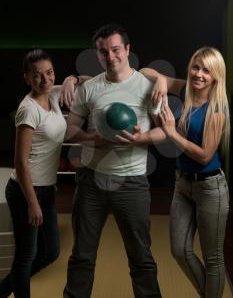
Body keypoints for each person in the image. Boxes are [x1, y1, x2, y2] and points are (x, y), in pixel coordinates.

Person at [63, 23, 169, 298]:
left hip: (131, 183)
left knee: (141, 260)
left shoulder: (147, 86)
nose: (110, 57)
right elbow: (70, 129)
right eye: (103, 51)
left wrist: (141, 139)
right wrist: (91, 138)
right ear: (97, 54)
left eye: (115, 49)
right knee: (82, 257)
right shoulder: (90, 88)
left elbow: (165, 130)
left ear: (127, 50)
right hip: (90, 184)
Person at [0, 48, 79, 298]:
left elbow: (87, 80)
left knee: (51, 252)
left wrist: (71, 79)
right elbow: (21, 163)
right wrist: (33, 203)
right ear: (27, 78)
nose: (45, 80)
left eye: (50, 73)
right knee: (26, 256)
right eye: (37, 75)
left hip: (46, 188)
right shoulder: (28, 109)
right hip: (26, 190)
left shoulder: (54, 95)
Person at [157, 47, 230, 298]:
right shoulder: (186, 89)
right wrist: (159, 79)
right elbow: (146, 73)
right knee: (179, 250)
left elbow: (204, 155)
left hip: (211, 189)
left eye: (207, 70)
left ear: (216, 76)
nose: (199, 74)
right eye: (196, 67)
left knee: (213, 258)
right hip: (183, 185)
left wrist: (171, 133)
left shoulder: (217, 109)